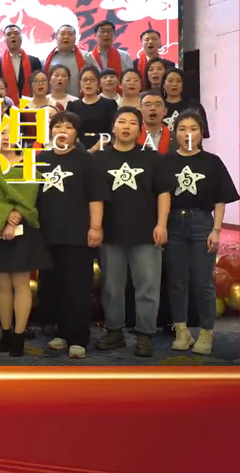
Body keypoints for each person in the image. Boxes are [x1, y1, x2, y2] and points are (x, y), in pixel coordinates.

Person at [160, 110, 239, 354]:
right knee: (176, 281)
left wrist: (216, 230)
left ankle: (206, 333)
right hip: (174, 223)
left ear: (201, 132)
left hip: (202, 223)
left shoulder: (212, 162)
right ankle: (182, 331)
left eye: (193, 128)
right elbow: (162, 196)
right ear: (175, 133)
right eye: (182, 129)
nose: (188, 133)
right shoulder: (167, 161)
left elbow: (220, 201)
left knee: (203, 281)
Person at [94, 107, 169, 357]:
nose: (126, 127)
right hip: (110, 232)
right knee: (112, 287)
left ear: (140, 129)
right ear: (113, 127)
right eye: (122, 122)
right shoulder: (100, 159)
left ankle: (145, 334)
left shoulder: (152, 158)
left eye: (132, 123)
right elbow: (94, 197)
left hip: (146, 232)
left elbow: (163, 193)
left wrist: (162, 224)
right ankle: (114, 331)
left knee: (147, 286)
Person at [36, 112, 108, 359]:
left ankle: (77, 338)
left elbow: (96, 196)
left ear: (76, 133)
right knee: (52, 286)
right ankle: (60, 332)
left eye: (68, 127)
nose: (62, 131)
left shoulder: (86, 160)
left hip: (78, 235)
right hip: (47, 234)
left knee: (77, 287)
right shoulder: (40, 159)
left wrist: (96, 227)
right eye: (58, 126)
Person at [0, 124, 49, 357]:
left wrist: (14, 219)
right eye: (1, 133)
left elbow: (30, 196)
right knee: (2, 284)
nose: (5, 137)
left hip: (24, 229)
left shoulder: (28, 162)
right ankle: (6, 333)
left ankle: (19, 336)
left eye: (10, 132)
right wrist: (3, 217)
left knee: (21, 283)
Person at [67, 67, 118, 151]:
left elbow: (110, 132)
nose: (88, 83)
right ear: (80, 83)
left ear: (98, 83)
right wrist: (81, 150)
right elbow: (71, 132)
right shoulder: (73, 106)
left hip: (103, 149)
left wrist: (92, 150)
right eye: (85, 80)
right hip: (78, 150)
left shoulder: (109, 104)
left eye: (92, 79)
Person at [0, 24, 42, 104]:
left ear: (21, 37)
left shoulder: (34, 61)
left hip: (30, 104)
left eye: (16, 33)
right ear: (4, 39)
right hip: (5, 105)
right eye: (9, 34)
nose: (12, 36)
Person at [43, 24, 97, 96]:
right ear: (56, 37)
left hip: (79, 100)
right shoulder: (46, 59)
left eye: (70, 34)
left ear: (75, 38)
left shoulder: (86, 57)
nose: (66, 36)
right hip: (52, 101)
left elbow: (98, 77)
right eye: (62, 34)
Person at [162, 67, 210, 138]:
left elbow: (203, 133)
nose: (174, 84)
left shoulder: (194, 106)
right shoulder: (158, 105)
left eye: (179, 81)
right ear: (163, 85)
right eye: (170, 81)